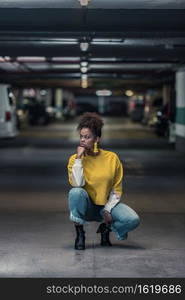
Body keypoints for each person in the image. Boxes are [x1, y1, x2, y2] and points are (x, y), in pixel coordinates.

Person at [67, 112, 140, 250]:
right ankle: (80, 234)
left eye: (87, 137)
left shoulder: (112, 158)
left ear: (96, 139)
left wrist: (107, 209)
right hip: (87, 207)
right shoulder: (74, 159)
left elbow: (116, 189)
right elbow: (77, 184)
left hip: (106, 207)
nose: (82, 140)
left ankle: (106, 229)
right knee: (75, 192)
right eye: (81, 136)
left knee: (132, 220)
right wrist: (78, 159)